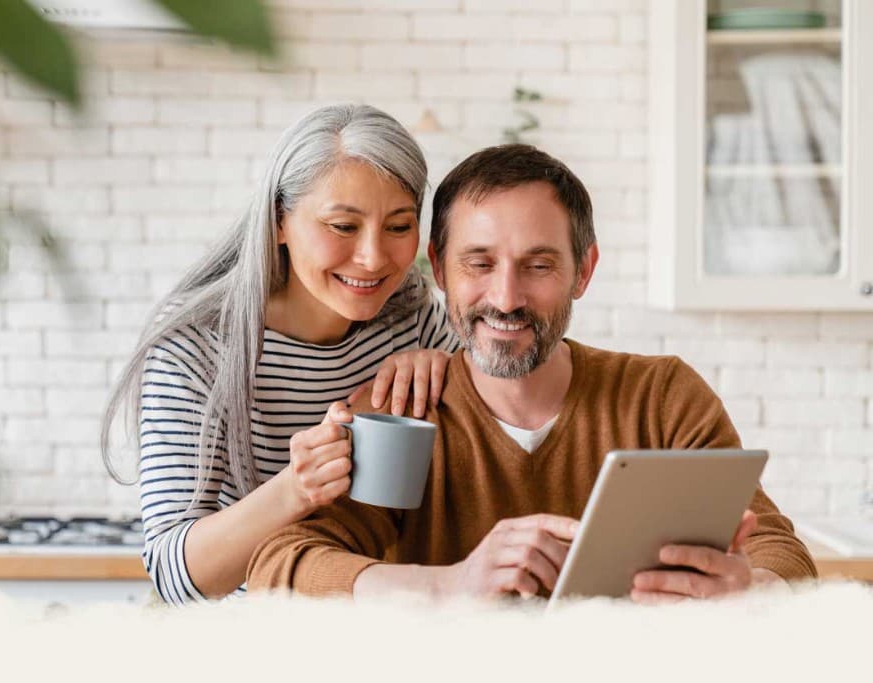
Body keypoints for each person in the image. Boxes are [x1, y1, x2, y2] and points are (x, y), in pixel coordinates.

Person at [247, 144, 817, 603]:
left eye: (538, 265)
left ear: (583, 271)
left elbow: (779, 550)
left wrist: (749, 585)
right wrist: (451, 584)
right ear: (440, 268)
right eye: (479, 263)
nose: (506, 297)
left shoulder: (661, 397)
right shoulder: (401, 408)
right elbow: (282, 563)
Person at [102, 104, 459, 603]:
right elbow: (175, 576)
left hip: (383, 621)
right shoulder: (197, 345)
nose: (374, 257)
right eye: (342, 226)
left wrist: (451, 371)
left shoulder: (413, 317)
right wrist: (296, 488)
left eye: (399, 227)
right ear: (278, 222)